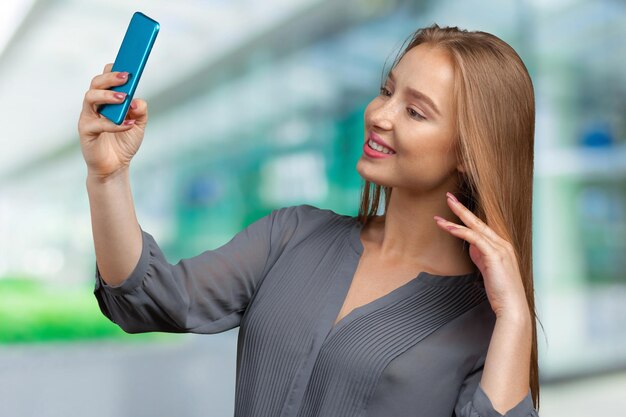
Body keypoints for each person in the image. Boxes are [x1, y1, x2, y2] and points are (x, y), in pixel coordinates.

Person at [79, 23, 540, 417]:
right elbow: (151, 299)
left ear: (468, 151)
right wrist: (108, 177)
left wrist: (515, 318)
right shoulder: (293, 235)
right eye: (386, 91)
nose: (379, 115)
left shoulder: (487, 326)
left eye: (415, 111)